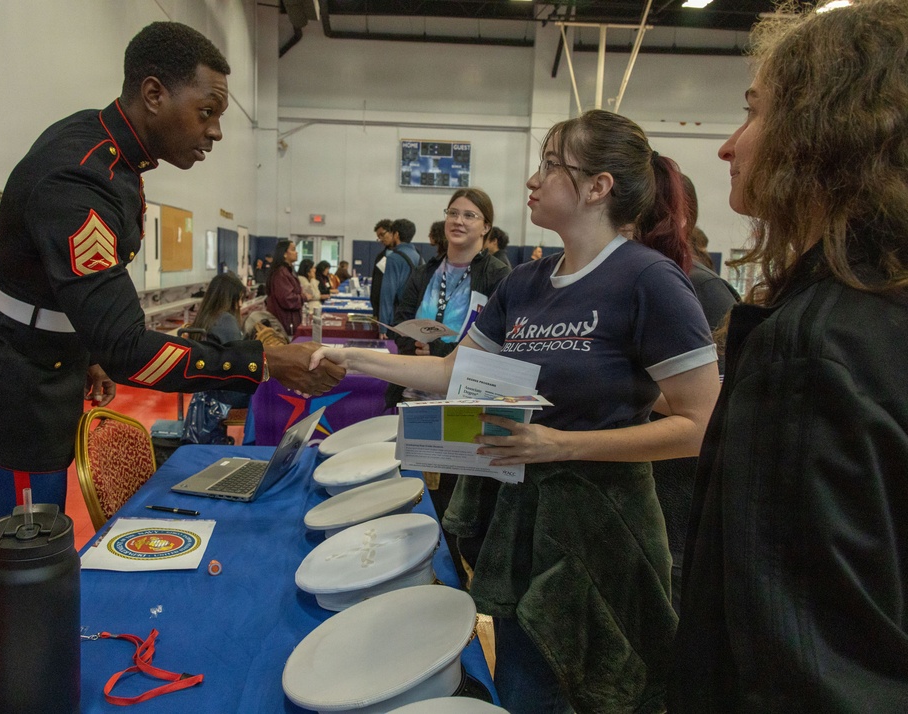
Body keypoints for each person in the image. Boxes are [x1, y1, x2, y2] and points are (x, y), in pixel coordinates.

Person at [0, 21, 344, 700]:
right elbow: (131, 347)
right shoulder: (79, 175)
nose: (215, 133)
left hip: (41, 352)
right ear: (151, 94)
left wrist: (84, 350)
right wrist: (261, 364)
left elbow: (71, 293)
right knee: (27, 536)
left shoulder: (113, 153)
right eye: (206, 113)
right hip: (8, 375)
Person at [311, 109, 720, 713]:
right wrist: (354, 361)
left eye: (551, 165)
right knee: (528, 686)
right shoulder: (525, 283)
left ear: (598, 186)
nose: (533, 180)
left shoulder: (648, 280)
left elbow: (701, 427)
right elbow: (456, 371)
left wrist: (562, 444)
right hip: (521, 517)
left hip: (603, 528)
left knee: (600, 693)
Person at [669, 2, 908, 711]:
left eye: (753, 113)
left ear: (821, 133)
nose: (729, 146)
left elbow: (808, 670)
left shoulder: (816, 346)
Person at [384, 188, 510, 585]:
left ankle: (456, 578)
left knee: (458, 499)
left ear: (485, 227)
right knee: (415, 489)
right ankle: (415, 572)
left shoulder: (498, 275)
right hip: (415, 395)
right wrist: (413, 346)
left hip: (465, 399)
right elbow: (401, 315)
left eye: (470, 215)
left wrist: (440, 349)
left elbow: (502, 334)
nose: (459, 221)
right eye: (453, 213)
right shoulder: (425, 271)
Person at [650, 173, 739, 613]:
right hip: (649, 502)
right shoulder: (640, 281)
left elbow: (720, 402)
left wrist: (626, 385)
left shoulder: (703, 288)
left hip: (679, 510)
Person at [181, 272, 251, 444]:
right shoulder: (225, 320)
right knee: (267, 393)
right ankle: (258, 442)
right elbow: (240, 358)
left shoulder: (205, 317)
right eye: (239, 299)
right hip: (224, 394)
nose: (240, 304)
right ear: (230, 298)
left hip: (207, 391)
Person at [377, 218, 421, 334]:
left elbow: (387, 293)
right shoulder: (419, 257)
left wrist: (383, 326)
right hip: (413, 318)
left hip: (396, 320)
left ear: (396, 234)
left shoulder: (393, 258)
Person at [266, 239, 306, 336]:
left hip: (290, 320)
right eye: (293, 249)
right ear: (284, 254)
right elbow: (287, 299)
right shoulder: (281, 273)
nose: (296, 252)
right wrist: (303, 297)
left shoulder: (288, 271)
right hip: (285, 322)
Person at [370, 219, 393, 317]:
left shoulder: (405, 257)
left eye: (382, 235)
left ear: (393, 232)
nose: (381, 239)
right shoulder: (380, 257)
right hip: (379, 309)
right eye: (378, 237)